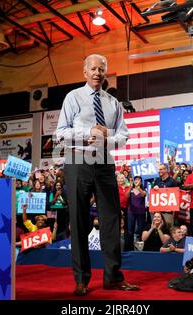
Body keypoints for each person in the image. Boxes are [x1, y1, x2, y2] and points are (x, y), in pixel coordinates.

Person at [56, 54, 138, 296]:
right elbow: (60, 133)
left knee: (112, 220)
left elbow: (123, 136)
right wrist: (86, 132)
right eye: (93, 69)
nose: (97, 73)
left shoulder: (114, 103)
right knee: (79, 220)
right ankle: (81, 279)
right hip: (78, 159)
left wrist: (106, 138)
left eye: (101, 69)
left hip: (104, 161)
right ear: (84, 72)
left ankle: (113, 277)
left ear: (106, 73)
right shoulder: (73, 97)